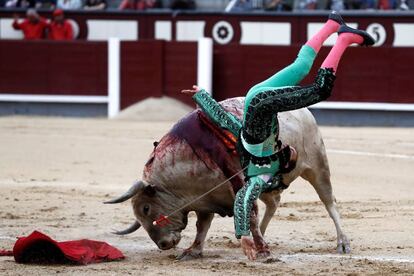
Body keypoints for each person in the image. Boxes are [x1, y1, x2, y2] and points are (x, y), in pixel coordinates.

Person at [182, 11, 374, 260]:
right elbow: (225, 120)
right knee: (301, 66)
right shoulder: (249, 148)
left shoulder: (260, 172)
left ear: (282, 161)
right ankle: (331, 25)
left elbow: (243, 196)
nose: (292, 150)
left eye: (290, 155)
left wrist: (243, 234)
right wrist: (202, 97)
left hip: (261, 103)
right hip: (255, 96)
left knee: (321, 89)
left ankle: (343, 39)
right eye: (293, 156)